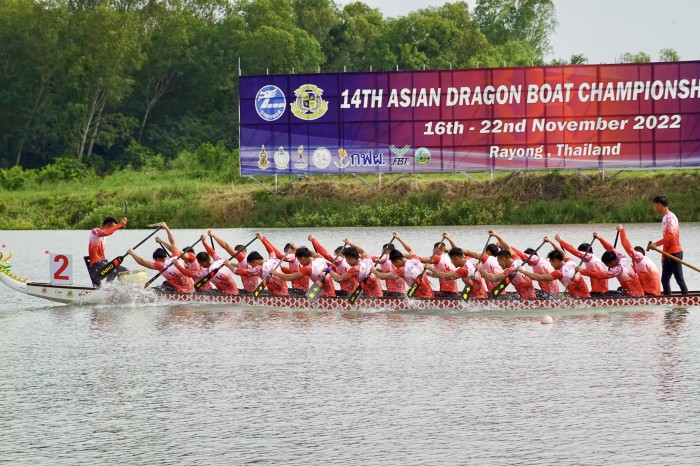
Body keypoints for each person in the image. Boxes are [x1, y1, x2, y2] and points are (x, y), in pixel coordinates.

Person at [575, 231, 644, 297]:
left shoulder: (618, 269)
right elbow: (611, 248)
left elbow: (600, 276)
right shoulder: (622, 258)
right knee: (615, 291)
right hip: (634, 292)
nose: (606, 266)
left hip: (634, 296)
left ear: (611, 262)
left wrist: (583, 271)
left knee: (607, 294)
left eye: (606, 264)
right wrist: (600, 238)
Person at [516, 237, 590, 298]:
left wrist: (522, 271)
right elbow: (561, 252)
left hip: (579, 299)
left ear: (555, 260)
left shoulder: (559, 273)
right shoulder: (571, 262)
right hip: (585, 296)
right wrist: (551, 242)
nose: (551, 265)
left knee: (529, 292)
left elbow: (538, 277)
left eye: (551, 262)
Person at [371, 232, 434, 299]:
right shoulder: (415, 260)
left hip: (419, 299)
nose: (395, 266)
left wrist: (374, 271)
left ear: (397, 261)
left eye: (394, 264)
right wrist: (399, 238)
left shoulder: (402, 270)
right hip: (430, 294)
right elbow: (410, 250)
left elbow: (382, 277)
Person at [394, 232, 458, 297]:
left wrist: (403, 256)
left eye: (433, 249)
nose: (432, 250)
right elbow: (456, 250)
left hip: (446, 293)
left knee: (424, 294)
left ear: (436, 250)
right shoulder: (449, 257)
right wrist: (449, 239)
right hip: (454, 292)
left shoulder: (436, 257)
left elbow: (420, 259)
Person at [173, 234, 239, 294]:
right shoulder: (220, 261)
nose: (200, 265)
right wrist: (204, 242)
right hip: (235, 291)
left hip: (227, 295)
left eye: (199, 263)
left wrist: (177, 265)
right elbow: (212, 253)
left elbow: (188, 274)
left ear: (204, 263)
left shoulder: (206, 273)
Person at [651, 195, 688, 295]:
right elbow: (666, 240)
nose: (654, 208)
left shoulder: (670, 218)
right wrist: (663, 256)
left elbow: (671, 237)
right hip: (668, 253)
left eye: (655, 205)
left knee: (679, 279)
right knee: (664, 280)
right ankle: (668, 300)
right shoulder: (664, 218)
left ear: (659, 205)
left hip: (675, 252)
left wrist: (656, 244)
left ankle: (687, 299)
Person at [271, 246, 336, 297]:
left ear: (303, 258)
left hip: (325, 295)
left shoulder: (307, 268)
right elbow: (311, 252)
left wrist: (276, 273)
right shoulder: (320, 257)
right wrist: (297, 248)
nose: (300, 263)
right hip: (329, 291)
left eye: (299, 260)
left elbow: (289, 277)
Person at [615, 225, 660, 296]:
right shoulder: (640, 263)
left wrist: (621, 230)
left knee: (621, 291)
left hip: (650, 293)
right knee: (621, 289)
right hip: (649, 291)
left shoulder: (640, 259)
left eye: (632, 258)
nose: (632, 259)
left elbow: (626, 246)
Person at [88, 215, 128, 283]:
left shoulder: (104, 236)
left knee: (124, 270)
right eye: (112, 228)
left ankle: (123, 289)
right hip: (96, 266)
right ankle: (107, 290)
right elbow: (106, 232)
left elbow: (109, 231)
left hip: (103, 263)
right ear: (107, 225)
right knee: (113, 271)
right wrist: (119, 225)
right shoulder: (95, 231)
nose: (112, 231)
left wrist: (120, 225)